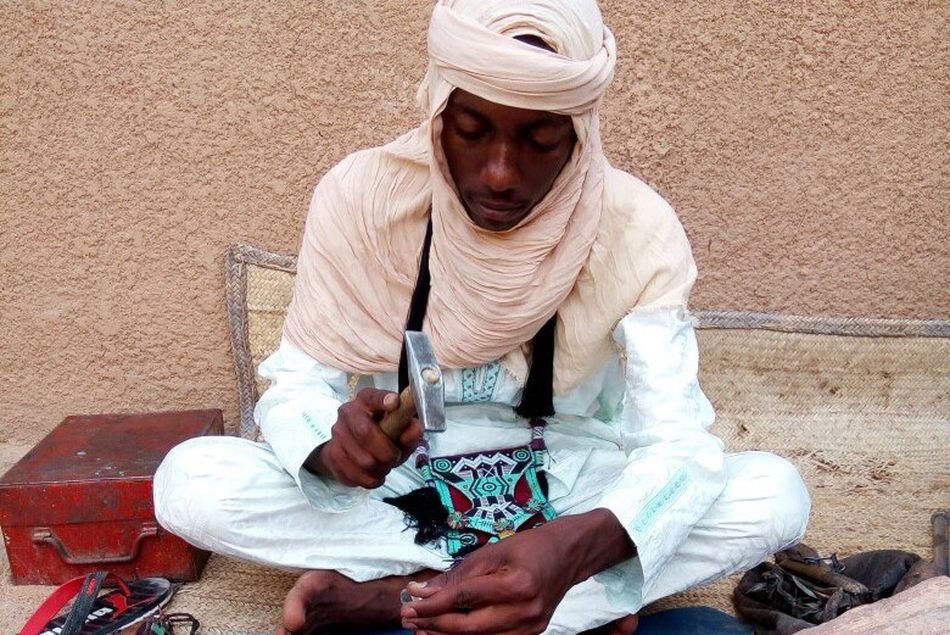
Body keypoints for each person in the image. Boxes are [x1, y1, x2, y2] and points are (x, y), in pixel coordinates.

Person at [153, 1, 811, 633]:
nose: (499, 174)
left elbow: (677, 442)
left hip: (569, 488)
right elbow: (297, 383)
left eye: (540, 139)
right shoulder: (362, 199)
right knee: (190, 482)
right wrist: (330, 449)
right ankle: (555, 605)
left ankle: (394, 600)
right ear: (438, 112)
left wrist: (575, 547)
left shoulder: (638, 227)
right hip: (408, 489)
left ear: (579, 133)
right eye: (471, 132)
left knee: (775, 496)